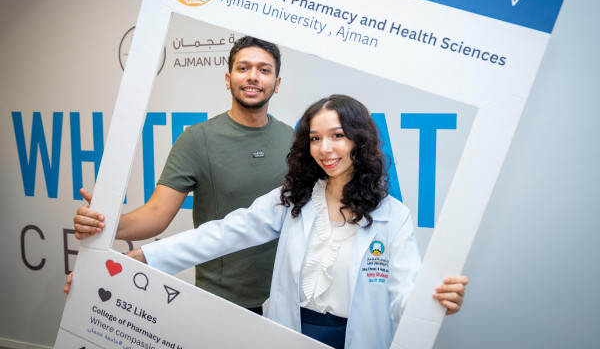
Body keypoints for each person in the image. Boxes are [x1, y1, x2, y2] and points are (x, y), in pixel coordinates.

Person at [126, 94, 468, 349]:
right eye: (315, 138)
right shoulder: (293, 199)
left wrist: (434, 301)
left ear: (358, 140)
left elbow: (403, 291)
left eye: (336, 135)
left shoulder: (392, 215)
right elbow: (224, 234)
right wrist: (146, 257)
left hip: (355, 339)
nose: (325, 148)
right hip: (288, 333)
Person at [65, 36, 294, 314]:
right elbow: (157, 214)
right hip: (222, 303)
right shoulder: (198, 139)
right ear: (228, 78)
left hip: (285, 299)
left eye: (264, 70)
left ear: (277, 84)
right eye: (243, 68)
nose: (253, 77)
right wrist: (104, 224)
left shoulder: (293, 140)